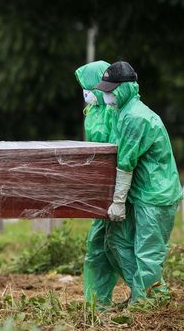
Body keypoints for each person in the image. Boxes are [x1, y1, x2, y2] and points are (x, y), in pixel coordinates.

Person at [95, 61, 183, 303]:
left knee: (148, 252)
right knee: (116, 240)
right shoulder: (121, 113)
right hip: (140, 192)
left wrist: (118, 201)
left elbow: (126, 161)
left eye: (111, 90)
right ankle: (143, 295)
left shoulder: (135, 116)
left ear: (126, 88)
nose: (107, 95)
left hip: (155, 195)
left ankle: (151, 301)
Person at [76, 60, 131, 304]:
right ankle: (98, 302)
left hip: (117, 188)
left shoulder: (115, 113)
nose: (86, 93)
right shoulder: (93, 112)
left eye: (88, 87)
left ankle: (145, 294)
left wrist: (118, 196)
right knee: (98, 247)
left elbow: (122, 154)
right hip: (102, 190)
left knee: (119, 246)